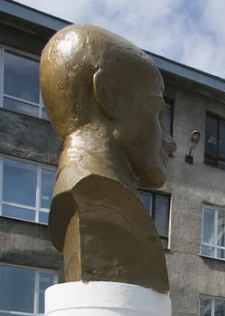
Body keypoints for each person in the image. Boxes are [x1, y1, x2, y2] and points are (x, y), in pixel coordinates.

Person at [40, 24, 176, 293]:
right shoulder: (95, 201)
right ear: (107, 95)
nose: (171, 142)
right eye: (157, 113)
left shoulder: (109, 203)